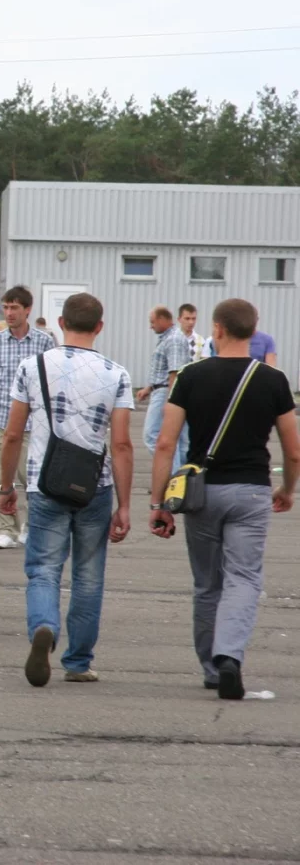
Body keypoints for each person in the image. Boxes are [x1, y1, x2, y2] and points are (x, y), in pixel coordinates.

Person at [150, 298, 300, 699]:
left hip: (202, 492)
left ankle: (211, 668)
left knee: (207, 583)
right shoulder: (273, 380)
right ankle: (229, 656)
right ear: (254, 332)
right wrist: (287, 489)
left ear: (216, 330)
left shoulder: (190, 377)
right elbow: (294, 448)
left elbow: (165, 443)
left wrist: (159, 503)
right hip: (251, 492)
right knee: (244, 577)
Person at [0, 293, 134, 686]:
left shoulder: (32, 366)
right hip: (96, 486)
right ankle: (78, 662)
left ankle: (44, 627)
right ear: (100, 326)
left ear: (60, 322)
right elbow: (122, 445)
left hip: (46, 484)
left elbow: (12, 435)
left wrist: (7, 486)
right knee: (89, 577)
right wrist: (124, 506)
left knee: (43, 568)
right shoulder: (117, 374)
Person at [0, 286, 55, 550]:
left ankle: (30, 525)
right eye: (6, 307)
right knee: (0, 477)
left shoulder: (44, 341)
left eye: (15, 307)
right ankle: (6, 529)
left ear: (27, 309)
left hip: (31, 421)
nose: (9, 312)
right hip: (0, 416)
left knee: (31, 477)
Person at [139, 305, 191, 472]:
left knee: (152, 435)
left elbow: (175, 372)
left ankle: (172, 476)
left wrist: (170, 402)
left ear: (162, 319)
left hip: (165, 393)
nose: (151, 326)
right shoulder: (169, 338)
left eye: (153, 322)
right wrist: (148, 388)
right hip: (162, 389)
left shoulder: (173, 340)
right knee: (180, 441)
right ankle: (182, 480)